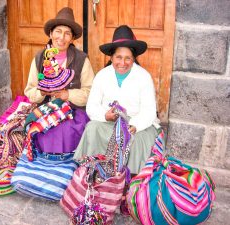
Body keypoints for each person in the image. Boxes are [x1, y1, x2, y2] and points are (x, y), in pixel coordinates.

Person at [74, 25, 162, 175]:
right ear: (111, 57)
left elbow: (149, 111)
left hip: (138, 125)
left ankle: (131, 179)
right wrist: (105, 115)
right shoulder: (102, 75)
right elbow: (92, 106)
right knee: (92, 128)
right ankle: (93, 171)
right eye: (118, 57)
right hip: (110, 123)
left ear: (134, 58)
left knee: (137, 140)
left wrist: (135, 125)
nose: (123, 63)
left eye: (128, 58)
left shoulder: (143, 77)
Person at [24, 7, 94, 154]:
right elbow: (30, 90)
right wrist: (41, 92)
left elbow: (90, 92)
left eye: (67, 33)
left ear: (72, 38)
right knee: (43, 129)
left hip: (74, 111)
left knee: (64, 130)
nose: (61, 37)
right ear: (51, 34)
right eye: (58, 31)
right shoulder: (39, 59)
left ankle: (63, 162)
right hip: (46, 108)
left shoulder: (81, 59)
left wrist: (67, 94)